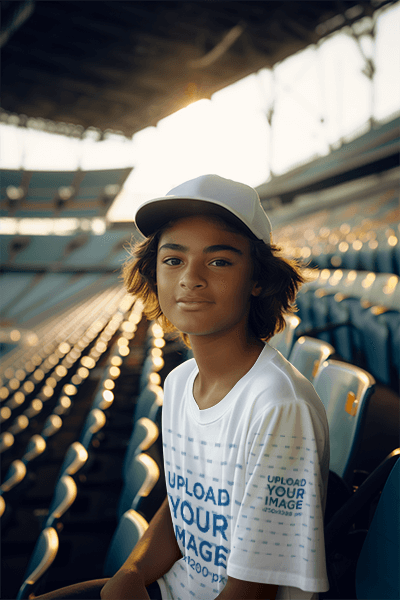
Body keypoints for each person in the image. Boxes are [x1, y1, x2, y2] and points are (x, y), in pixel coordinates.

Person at [36, 175, 330, 600]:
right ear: (153, 273)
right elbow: (184, 503)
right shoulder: (178, 384)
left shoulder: (278, 406)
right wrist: (133, 573)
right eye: (173, 260)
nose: (190, 278)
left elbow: (254, 592)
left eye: (219, 261)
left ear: (258, 280)